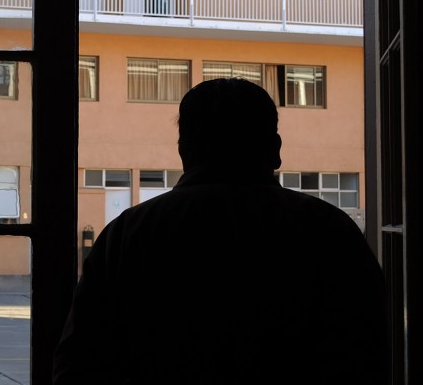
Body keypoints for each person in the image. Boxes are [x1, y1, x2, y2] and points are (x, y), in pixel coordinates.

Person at [53, 77, 388, 384]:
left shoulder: (125, 236)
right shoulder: (329, 232)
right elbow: (365, 357)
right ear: (275, 149)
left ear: (184, 150)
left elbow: (79, 366)